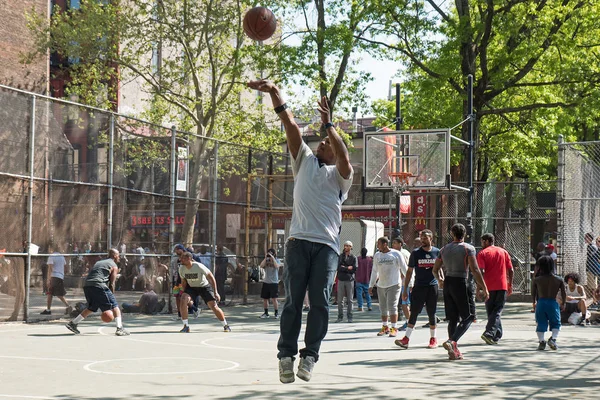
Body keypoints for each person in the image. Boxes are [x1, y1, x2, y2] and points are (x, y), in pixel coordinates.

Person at [247, 79, 353, 384]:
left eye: (328, 143)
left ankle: (310, 356)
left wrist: (329, 124)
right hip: (297, 243)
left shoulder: (341, 177)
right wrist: (274, 93)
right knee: (293, 300)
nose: (323, 143)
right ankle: (286, 356)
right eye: (322, 141)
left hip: (326, 248)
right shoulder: (304, 160)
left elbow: (345, 157)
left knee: (319, 301)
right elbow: (290, 125)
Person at [433, 223, 489, 360]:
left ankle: (453, 351)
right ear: (464, 234)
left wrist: (440, 279)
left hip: (448, 283)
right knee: (468, 317)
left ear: (452, 234)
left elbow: (435, 269)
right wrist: (484, 287)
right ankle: (452, 341)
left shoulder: (444, 249)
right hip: (460, 282)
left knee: (452, 318)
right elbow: (475, 270)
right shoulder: (468, 248)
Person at [65, 249, 130, 336]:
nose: (119, 257)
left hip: (88, 285)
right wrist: (111, 295)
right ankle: (120, 328)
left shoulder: (99, 262)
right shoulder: (114, 266)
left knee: (91, 308)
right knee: (115, 306)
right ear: (114, 256)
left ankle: (73, 323)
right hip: (99, 285)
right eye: (118, 255)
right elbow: (112, 283)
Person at [395, 230, 440, 350]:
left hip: (432, 287)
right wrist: (405, 290)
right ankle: (406, 339)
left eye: (425, 238)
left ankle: (433, 339)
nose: (422, 240)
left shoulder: (437, 252)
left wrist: (441, 280)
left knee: (432, 313)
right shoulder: (415, 253)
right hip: (419, 286)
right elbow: (409, 271)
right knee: (414, 313)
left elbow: (439, 268)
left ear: (431, 238)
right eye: (421, 238)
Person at [177, 251, 231, 333]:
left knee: (213, 306)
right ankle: (186, 326)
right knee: (183, 300)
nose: (181, 260)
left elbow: (211, 277)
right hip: (192, 287)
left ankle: (225, 325)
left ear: (189, 259)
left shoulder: (198, 266)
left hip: (204, 287)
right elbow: (183, 281)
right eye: (181, 259)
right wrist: (183, 292)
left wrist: (216, 292)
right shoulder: (181, 268)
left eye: (183, 259)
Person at [476, 233, 514, 345]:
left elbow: (481, 272)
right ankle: (496, 334)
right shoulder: (503, 252)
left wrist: (479, 288)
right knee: (496, 311)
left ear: (487, 241)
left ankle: (489, 333)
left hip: (488, 286)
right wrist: (510, 284)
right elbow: (511, 270)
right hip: (502, 285)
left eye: (482, 241)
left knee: (492, 311)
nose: (481, 244)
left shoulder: (482, 253)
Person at [369, 237, 407, 338]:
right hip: (381, 285)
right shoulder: (377, 255)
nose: (377, 246)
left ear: (385, 244)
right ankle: (385, 326)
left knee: (392, 306)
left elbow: (404, 269)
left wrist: (410, 283)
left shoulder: (396, 254)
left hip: (394, 284)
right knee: (382, 307)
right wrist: (371, 285)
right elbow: (374, 271)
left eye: (379, 244)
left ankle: (393, 328)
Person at [532, 255, 566, 350]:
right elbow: (564, 293)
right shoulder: (559, 280)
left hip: (541, 303)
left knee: (541, 322)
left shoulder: (537, 280)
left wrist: (533, 302)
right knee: (556, 323)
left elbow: (533, 293)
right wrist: (564, 303)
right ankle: (553, 339)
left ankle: (542, 341)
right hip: (552, 303)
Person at [40, 244, 73, 315]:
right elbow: (65, 267)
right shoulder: (62, 256)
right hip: (60, 276)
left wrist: (49, 279)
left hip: (54, 276)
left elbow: (50, 268)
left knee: (58, 294)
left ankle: (68, 306)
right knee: (50, 293)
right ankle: (48, 310)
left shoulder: (52, 256)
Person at [391, 238, 412, 330]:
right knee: (403, 303)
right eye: (393, 243)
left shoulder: (403, 253)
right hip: (401, 281)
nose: (393, 245)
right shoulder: (396, 253)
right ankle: (409, 321)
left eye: (395, 243)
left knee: (405, 303)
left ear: (400, 244)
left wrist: (401, 278)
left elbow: (405, 268)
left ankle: (410, 323)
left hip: (404, 282)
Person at [336, 240, 357, 323]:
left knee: (350, 299)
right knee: (340, 299)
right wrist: (347, 268)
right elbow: (338, 267)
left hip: (349, 279)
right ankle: (340, 316)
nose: (346, 247)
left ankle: (350, 316)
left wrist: (344, 268)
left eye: (348, 246)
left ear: (351, 247)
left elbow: (354, 269)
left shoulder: (353, 257)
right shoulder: (340, 256)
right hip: (341, 279)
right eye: (345, 245)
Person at [259, 248, 281, 319]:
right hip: (266, 282)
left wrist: (273, 258)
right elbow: (261, 266)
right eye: (269, 253)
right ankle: (266, 313)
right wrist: (266, 258)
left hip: (274, 283)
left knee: (274, 299)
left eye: (271, 253)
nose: (269, 255)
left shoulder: (277, 260)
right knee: (265, 299)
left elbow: (277, 266)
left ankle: (276, 313)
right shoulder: (266, 261)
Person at [584, 233, 600, 307]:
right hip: (593, 268)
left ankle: (594, 301)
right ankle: (594, 300)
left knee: (592, 286)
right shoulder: (592, 246)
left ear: (590, 238)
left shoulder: (592, 247)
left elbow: (593, 259)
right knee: (592, 285)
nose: (585, 239)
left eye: (586, 237)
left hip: (592, 269)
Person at [355, 247, 373, 312]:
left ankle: (360, 306)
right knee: (367, 293)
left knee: (359, 293)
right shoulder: (369, 259)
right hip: (367, 278)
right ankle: (369, 305)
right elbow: (371, 269)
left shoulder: (358, 259)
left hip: (359, 278)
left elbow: (355, 268)